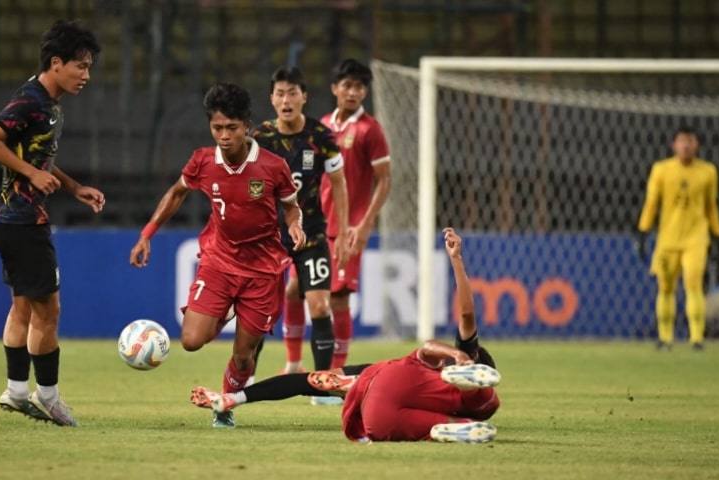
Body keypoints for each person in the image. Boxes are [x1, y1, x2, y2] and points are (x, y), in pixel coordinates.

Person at [191, 227, 501, 443]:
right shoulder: (476, 394)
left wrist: (457, 260)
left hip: (384, 377)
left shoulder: (450, 363)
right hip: (390, 392)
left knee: (313, 380)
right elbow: (465, 318)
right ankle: (234, 398)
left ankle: (233, 398)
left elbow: (465, 317)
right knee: (315, 381)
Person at [129, 82, 305, 428]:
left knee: (243, 359)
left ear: (247, 127)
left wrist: (295, 225)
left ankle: (224, 407)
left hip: (263, 271)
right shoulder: (202, 161)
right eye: (217, 128)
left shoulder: (273, 167)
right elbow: (177, 193)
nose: (224, 136)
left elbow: (291, 207)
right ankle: (224, 313)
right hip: (219, 260)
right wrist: (147, 234)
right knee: (192, 341)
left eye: (232, 128)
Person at [0, 20, 104, 427]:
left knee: (23, 308)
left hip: (11, 218)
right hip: (22, 220)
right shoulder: (30, 101)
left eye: (88, 67)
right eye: (80, 66)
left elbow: (37, 155)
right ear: (56, 62)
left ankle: (16, 391)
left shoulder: (47, 104)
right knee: (49, 311)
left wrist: (72, 186)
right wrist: (31, 176)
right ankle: (47, 396)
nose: (86, 75)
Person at [250, 66, 350, 379]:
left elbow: (338, 183)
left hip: (311, 235)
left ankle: (324, 384)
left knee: (320, 305)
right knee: (260, 311)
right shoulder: (260, 138)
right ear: (272, 99)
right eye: (280, 93)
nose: (286, 99)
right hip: (269, 237)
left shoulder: (321, 137)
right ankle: (245, 380)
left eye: (293, 92)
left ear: (304, 97)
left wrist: (343, 232)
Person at [319, 59, 391, 370]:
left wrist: (364, 225)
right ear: (335, 88)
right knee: (296, 292)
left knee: (338, 300)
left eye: (359, 87)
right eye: (347, 85)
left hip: (348, 228)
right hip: (317, 225)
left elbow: (385, 180)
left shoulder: (370, 130)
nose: (352, 92)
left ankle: (337, 372)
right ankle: (294, 363)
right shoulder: (322, 125)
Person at [636, 126, 719, 351]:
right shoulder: (662, 170)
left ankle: (697, 339)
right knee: (665, 288)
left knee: (694, 285)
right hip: (668, 240)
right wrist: (643, 232)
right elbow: (651, 204)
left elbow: (711, 207)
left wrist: (718, 235)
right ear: (674, 145)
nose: (686, 146)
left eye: (690, 141)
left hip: (696, 239)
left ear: (697, 145)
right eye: (682, 142)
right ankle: (665, 338)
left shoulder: (708, 172)